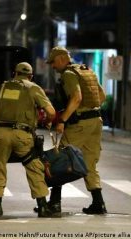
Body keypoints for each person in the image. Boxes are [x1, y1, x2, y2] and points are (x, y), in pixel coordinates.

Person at [0, 62, 57, 218]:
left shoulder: (3, 87)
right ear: (30, 76)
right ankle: (42, 206)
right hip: (22, 134)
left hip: (1, 133)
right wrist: (47, 120)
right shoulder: (33, 88)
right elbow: (51, 111)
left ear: (14, 73)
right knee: (34, 166)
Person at [46, 46, 107, 215]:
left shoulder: (69, 74)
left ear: (60, 59)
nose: (52, 66)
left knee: (61, 158)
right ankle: (98, 203)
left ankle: (55, 203)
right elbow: (101, 97)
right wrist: (89, 110)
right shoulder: (87, 71)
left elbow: (77, 97)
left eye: (52, 62)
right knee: (89, 162)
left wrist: (63, 119)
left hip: (79, 124)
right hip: (96, 121)